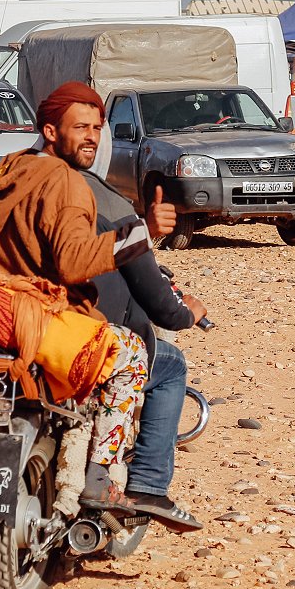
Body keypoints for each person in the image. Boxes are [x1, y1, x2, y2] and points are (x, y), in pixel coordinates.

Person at [0, 82, 159, 514]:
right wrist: (137, 234)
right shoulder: (66, 183)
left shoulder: (4, 172)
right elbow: (74, 262)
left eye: (97, 127)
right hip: (36, 323)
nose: (92, 136)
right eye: (81, 127)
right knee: (131, 354)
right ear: (52, 131)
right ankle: (99, 475)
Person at [80, 141, 206, 531]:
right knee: (168, 365)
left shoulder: (9, 187)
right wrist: (188, 312)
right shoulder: (107, 204)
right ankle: (148, 484)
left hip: (14, 329)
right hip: (79, 337)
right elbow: (161, 306)